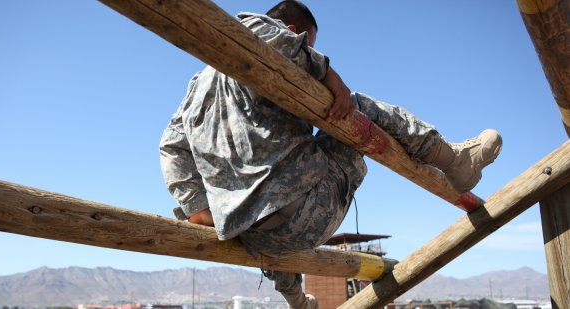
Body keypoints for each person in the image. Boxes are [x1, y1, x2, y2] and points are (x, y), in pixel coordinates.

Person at [159, 1, 502, 308]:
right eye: (307, 44)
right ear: (294, 31)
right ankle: (454, 160)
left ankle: (298, 303)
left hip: (252, 237)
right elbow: (275, 39)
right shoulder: (260, 29)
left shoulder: (195, 89)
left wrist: (195, 207)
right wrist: (328, 75)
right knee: (355, 107)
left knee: (271, 199)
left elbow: (171, 145)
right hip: (308, 214)